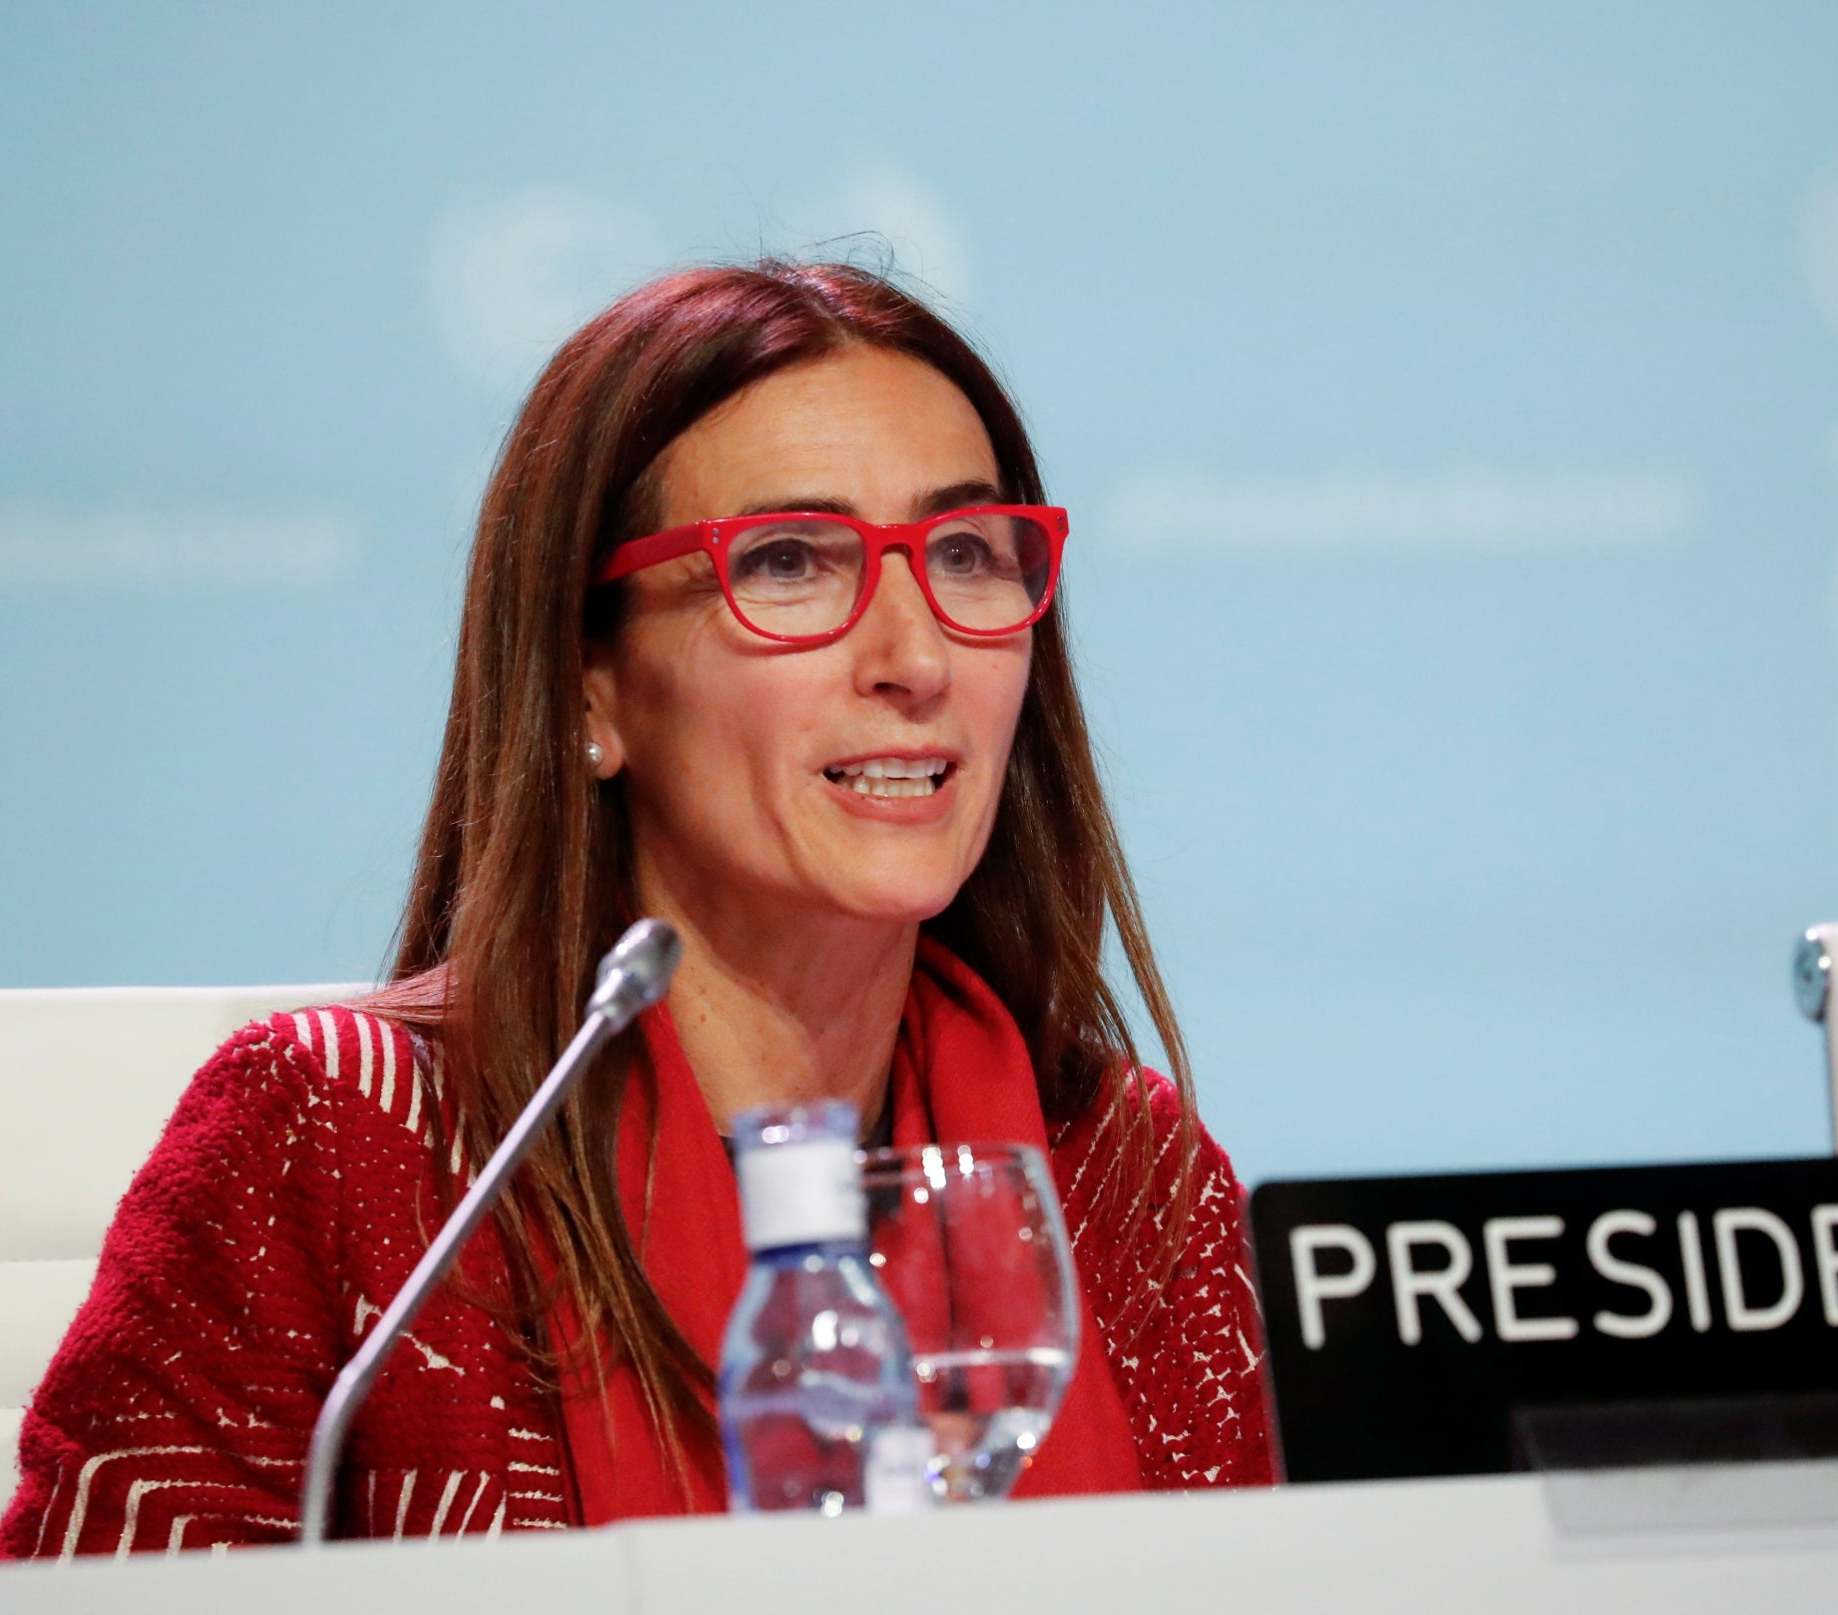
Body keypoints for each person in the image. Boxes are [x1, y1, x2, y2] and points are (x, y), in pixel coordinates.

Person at [0, 262, 1274, 1557]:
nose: (916, 659)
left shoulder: (1118, 1175)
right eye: (788, 563)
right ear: (585, 690)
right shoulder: (340, 1143)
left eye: (963, 553)